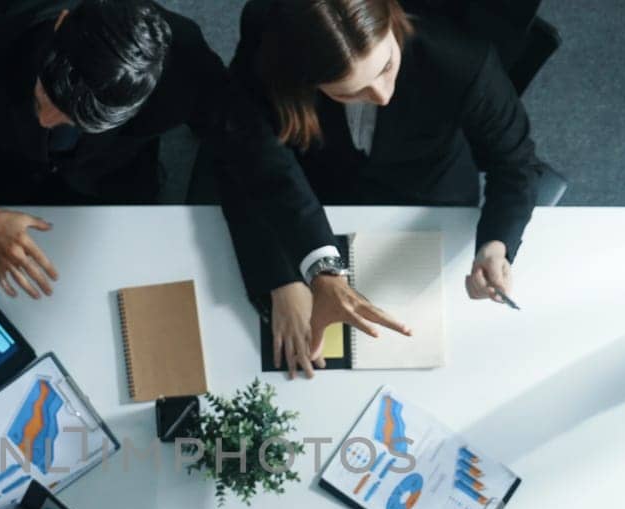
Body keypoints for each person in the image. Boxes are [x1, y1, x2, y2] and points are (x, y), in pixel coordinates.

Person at [219, 0, 545, 378]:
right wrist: (283, 277)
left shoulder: (462, 58)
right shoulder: (269, 33)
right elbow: (250, 154)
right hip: (315, 185)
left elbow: (517, 164)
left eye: (386, 66)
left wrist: (495, 246)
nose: (382, 95)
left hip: (430, 192)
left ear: (391, 21)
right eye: (348, 92)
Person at [0, 0, 224, 302]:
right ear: (61, 21)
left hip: (107, 181)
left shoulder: (185, 63)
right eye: (42, 100)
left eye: (73, 121)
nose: (48, 122)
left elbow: (242, 137)